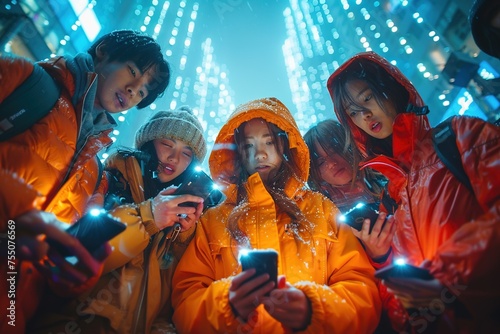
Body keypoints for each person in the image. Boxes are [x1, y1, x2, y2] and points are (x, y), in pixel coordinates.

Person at [0, 29, 170, 333]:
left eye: (143, 92)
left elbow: (56, 277)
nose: (133, 91)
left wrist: (78, 273)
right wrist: (16, 216)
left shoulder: (95, 173)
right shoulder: (23, 81)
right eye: (132, 71)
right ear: (103, 51)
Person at [171, 97, 382, 333]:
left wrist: (313, 309)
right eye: (249, 146)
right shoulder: (213, 220)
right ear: (238, 153)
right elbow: (185, 302)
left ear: (285, 146)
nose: (260, 154)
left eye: (269, 142)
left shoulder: (320, 209)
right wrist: (226, 304)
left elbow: (362, 290)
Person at [327, 51, 500, 333]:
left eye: (367, 98)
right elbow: (401, 307)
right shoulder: (389, 202)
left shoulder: (459, 138)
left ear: (390, 89)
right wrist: (382, 259)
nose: (365, 115)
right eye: (353, 113)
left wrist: (443, 280)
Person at [27, 106, 209, 333]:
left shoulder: (177, 215)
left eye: (186, 153)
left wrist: (181, 239)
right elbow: (75, 259)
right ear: (148, 143)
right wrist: (148, 216)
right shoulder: (106, 182)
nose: (174, 158)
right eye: (167, 144)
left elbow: (166, 299)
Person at [304, 119, 405, 333]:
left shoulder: (395, 176)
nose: (332, 163)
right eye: (321, 162)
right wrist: (378, 256)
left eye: (335, 150)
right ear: (315, 173)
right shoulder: (326, 218)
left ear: (349, 143)